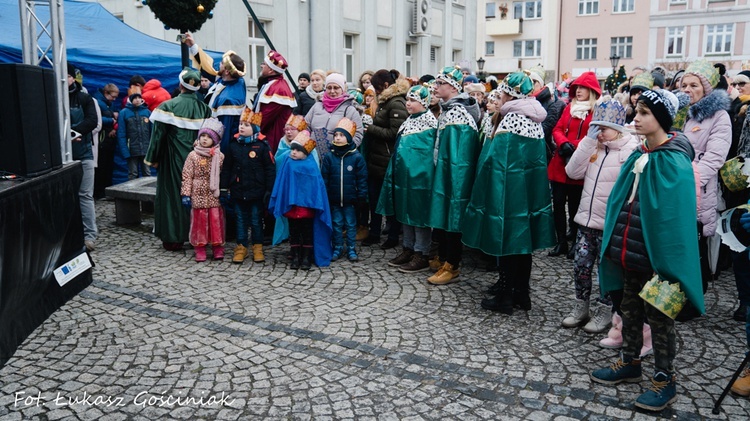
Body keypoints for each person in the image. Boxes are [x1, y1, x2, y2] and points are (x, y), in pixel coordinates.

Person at [590, 89, 703, 412]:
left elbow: (673, 218)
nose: (635, 119)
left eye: (644, 114)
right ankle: (630, 361)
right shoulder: (642, 154)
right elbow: (621, 203)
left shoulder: (672, 161)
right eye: (635, 112)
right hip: (631, 252)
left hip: (657, 261)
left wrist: (663, 261)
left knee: (661, 319)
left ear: (662, 120)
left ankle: (665, 379)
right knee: (630, 310)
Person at [462, 72, 554, 313]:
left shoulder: (511, 119)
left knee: (507, 243)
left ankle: (504, 296)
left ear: (509, 94)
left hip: (508, 194)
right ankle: (522, 294)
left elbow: (497, 163)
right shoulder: (533, 119)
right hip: (528, 194)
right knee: (523, 245)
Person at [560, 98, 639, 332]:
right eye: (596, 128)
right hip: (586, 221)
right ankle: (580, 306)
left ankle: (605, 310)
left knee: (607, 271)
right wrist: (588, 140)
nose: (600, 134)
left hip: (610, 225)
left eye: (602, 129)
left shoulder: (629, 150)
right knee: (581, 266)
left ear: (616, 128)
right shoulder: (594, 146)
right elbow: (572, 172)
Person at [677, 59, 732, 321]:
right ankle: (676, 297)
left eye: (694, 85)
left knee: (695, 248)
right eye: (684, 84)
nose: (688, 89)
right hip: (676, 189)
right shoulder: (683, 114)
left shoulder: (719, 116)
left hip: (699, 191)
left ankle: (693, 302)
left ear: (706, 88)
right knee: (678, 246)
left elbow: (715, 158)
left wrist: (689, 180)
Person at [144, 68, 212, 251]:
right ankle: (197, 236)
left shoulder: (167, 107)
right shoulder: (205, 109)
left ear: (180, 84)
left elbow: (157, 137)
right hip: (199, 160)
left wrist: (152, 159)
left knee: (172, 197)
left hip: (172, 160)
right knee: (197, 197)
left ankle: (173, 237)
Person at [427, 66, 481, 285]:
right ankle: (445, 258)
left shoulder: (458, 113)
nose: (435, 87)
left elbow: (459, 155)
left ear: (452, 86)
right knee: (444, 215)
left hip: (454, 177)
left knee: (453, 217)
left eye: (439, 83)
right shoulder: (448, 109)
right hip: (445, 173)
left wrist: (451, 179)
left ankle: (453, 265)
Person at [377, 84, 438, 273]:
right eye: (408, 99)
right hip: (404, 178)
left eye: (412, 100)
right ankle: (408, 248)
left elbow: (429, 154)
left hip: (420, 180)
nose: (408, 103)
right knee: (405, 213)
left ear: (424, 102)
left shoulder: (429, 124)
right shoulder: (410, 120)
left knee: (419, 216)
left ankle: (422, 252)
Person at [548, 71, 601, 258]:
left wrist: (576, 146)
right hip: (561, 162)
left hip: (580, 164)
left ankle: (575, 243)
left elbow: (595, 135)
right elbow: (558, 128)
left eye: (583, 88)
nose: (578, 90)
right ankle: (561, 241)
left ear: (592, 90)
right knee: (559, 204)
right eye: (576, 87)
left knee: (576, 207)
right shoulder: (569, 107)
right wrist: (563, 143)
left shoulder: (596, 110)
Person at [268, 131, 332, 270]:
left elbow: (316, 188)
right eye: (293, 149)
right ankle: (295, 255)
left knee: (307, 232)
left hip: (307, 209)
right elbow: (282, 183)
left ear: (306, 152)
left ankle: (306, 257)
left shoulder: (311, 166)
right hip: (292, 208)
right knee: (294, 232)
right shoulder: (288, 163)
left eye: (298, 150)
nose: (294, 152)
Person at [361, 69, 410, 250]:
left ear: (386, 86)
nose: (375, 91)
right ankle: (374, 233)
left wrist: (370, 128)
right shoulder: (386, 101)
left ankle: (392, 235)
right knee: (374, 198)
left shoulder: (396, 102)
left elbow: (395, 132)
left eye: (376, 87)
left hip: (388, 159)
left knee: (390, 200)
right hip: (378, 158)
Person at [220, 108, 276, 264]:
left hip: (257, 191)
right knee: (240, 219)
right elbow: (227, 168)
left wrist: (268, 190)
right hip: (238, 190)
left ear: (255, 128)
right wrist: (224, 188)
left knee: (257, 220)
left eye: (246, 125)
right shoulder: (233, 145)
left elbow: (270, 169)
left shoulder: (262, 146)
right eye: (240, 124)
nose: (241, 127)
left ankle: (257, 247)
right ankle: (241, 246)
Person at [185, 33, 248, 153]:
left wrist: (215, 154)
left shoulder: (228, 99)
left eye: (221, 64)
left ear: (227, 72)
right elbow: (208, 69)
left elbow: (224, 131)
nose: (218, 64)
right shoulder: (234, 80)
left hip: (218, 149)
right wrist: (193, 46)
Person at [321, 118, 368, 262]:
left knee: (351, 224)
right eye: (336, 135)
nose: (338, 138)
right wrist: (326, 195)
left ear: (348, 137)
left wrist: (361, 196)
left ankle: (352, 248)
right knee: (337, 224)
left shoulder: (356, 157)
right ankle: (338, 247)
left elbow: (362, 179)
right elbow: (325, 178)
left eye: (341, 135)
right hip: (335, 198)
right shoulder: (329, 157)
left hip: (350, 199)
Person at [181, 117, 226, 262]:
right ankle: (200, 248)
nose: (205, 139)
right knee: (200, 222)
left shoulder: (219, 156)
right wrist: (186, 194)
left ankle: (217, 247)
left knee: (215, 221)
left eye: (208, 137)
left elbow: (223, 174)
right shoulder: (193, 155)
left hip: (214, 194)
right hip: (198, 192)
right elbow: (187, 175)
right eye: (203, 136)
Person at [272, 115, 319, 246]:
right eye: (286, 129)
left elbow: (313, 169)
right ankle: (293, 245)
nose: (288, 132)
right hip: (287, 187)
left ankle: (305, 248)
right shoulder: (283, 142)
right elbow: (278, 161)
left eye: (292, 129)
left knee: (304, 223)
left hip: (304, 192)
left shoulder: (308, 145)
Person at [67, 63, 99, 252]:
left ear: (72, 78)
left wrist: (72, 132)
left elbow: (92, 121)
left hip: (84, 154)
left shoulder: (85, 98)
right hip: (61, 157)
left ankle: (89, 236)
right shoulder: (52, 96)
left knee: (85, 195)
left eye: (68, 76)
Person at [305, 72, 364, 158]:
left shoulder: (349, 109)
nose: (332, 91)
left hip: (337, 157)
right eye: (329, 88)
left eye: (336, 88)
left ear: (342, 89)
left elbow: (358, 134)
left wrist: (345, 150)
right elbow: (305, 126)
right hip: (313, 155)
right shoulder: (317, 106)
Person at [253, 50, 297, 154]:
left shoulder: (278, 89)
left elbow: (265, 118)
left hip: (272, 137)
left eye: (264, 64)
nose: (261, 66)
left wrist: (251, 130)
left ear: (271, 71)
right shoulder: (272, 84)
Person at [91, 83, 120, 198]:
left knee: (108, 166)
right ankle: (99, 192)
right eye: (113, 96)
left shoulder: (108, 104)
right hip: (101, 139)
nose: (114, 99)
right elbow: (95, 119)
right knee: (101, 167)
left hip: (108, 139)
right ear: (106, 93)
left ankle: (106, 191)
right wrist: (111, 121)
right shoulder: (97, 102)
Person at [116, 93, 152, 180]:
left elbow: (152, 132)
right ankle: (132, 193)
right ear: (131, 100)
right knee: (133, 173)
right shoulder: (124, 113)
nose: (137, 100)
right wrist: (125, 151)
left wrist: (152, 149)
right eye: (135, 98)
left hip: (146, 149)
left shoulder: (147, 112)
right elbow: (121, 133)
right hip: (131, 149)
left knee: (147, 173)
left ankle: (146, 193)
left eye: (139, 98)